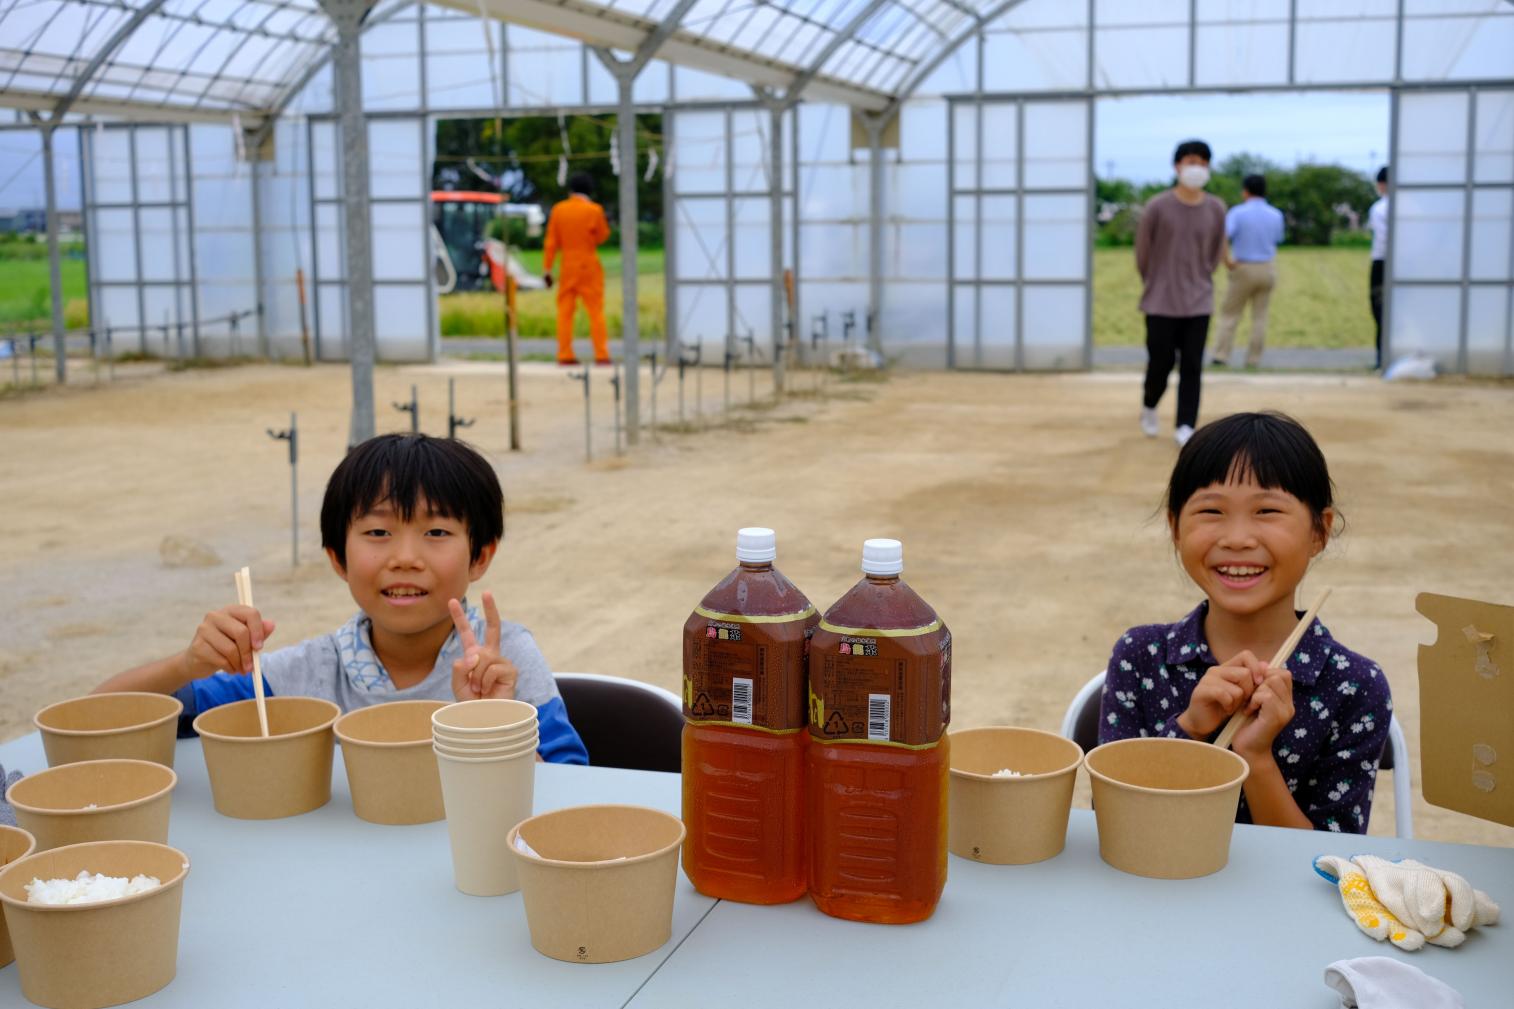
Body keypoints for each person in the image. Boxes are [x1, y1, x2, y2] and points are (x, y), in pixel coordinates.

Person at [96, 433, 589, 764]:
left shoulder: (507, 664)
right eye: (378, 531)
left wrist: (496, 725)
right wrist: (187, 665)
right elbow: (98, 720)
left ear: (480, 556)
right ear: (337, 558)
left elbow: (576, 787)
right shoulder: (305, 676)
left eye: (436, 531)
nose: (405, 557)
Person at [1098, 412, 1391, 833]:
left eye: (1267, 510)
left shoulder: (1355, 686)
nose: (1237, 537)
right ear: (1175, 527)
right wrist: (1190, 730)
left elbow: (1331, 862)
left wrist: (1256, 758)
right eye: (1211, 511)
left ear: (1319, 532)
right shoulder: (1141, 657)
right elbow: (1114, 824)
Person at [1135, 140, 1227, 448]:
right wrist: (1156, 282)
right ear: (1177, 166)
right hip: (1160, 301)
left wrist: (1200, 277)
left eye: (1203, 162)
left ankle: (1186, 424)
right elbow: (1143, 254)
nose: (1197, 168)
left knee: (1192, 364)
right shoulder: (1157, 206)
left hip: (1198, 301)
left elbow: (1216, 251)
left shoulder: (1216, 208)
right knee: (1160, 362)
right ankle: (1149, 405)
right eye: (1191, 161)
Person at [1213, 174, 1285, 369]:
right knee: (1260, 316)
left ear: (1245, 191)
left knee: (1230, 314)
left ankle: (1221, 355)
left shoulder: (1237, 213)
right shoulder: (1276, 214)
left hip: (1243, 266)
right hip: (1267, 267)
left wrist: (1226, 261)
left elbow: (1223, 237)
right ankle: (1253, 359)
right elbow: (1278, 238)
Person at [543, 172, 612, 367]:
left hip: (567, 266)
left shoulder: (558, 210)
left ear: (570, 190)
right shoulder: (594, 210)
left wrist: (547, 269)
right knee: (595, 312)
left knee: (565, 312)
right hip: (589, 265)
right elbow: (602, 236)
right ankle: (601, 354)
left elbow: (551, 242)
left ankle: (564, 354)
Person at [1367, 166, 1389, 370]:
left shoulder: (1379, 208)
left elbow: (1382, 238)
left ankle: (1382, 358)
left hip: (1382, 262)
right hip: (1410, 263)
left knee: (1379, 309)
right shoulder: (1413, 207)